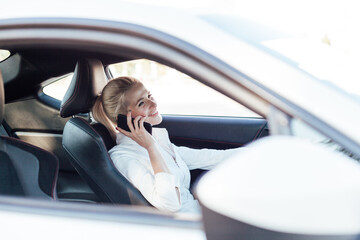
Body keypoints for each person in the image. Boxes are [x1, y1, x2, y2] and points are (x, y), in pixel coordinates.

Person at [92, 76, 240, 214]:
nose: (154, 103)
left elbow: (208, 157)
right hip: (186, 226)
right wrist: (151, 147)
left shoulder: (157, 141)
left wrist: (257, 152)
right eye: (142, 103)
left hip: (199, 214)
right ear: (124, 118)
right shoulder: (124, 157)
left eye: (149, 96)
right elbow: (170, 204)